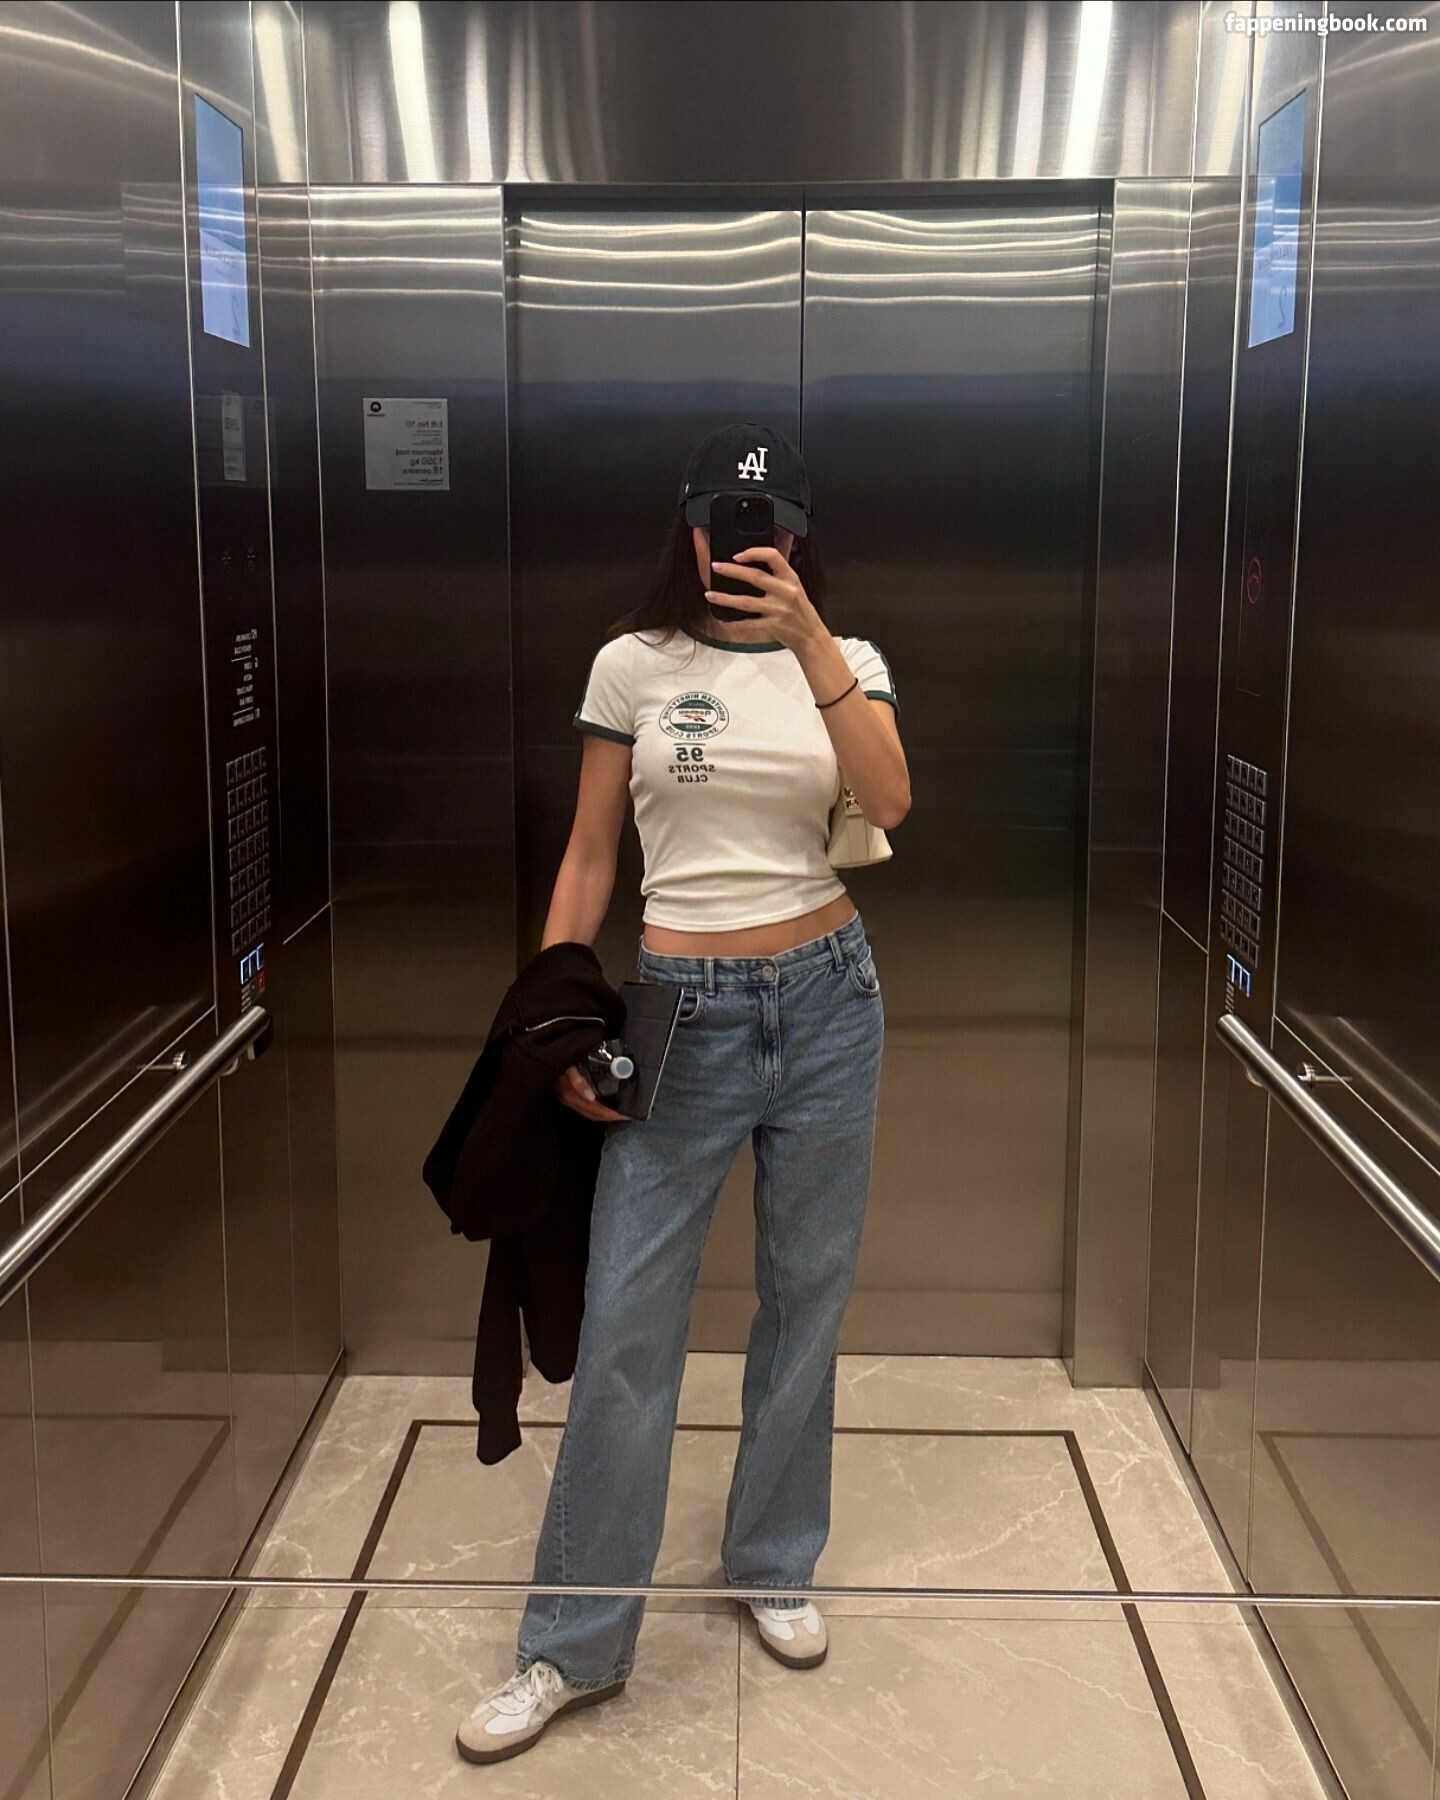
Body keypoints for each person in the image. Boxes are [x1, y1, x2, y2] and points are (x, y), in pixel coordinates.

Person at [456, 423, 910, 1765]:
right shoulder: (631, 664)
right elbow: (592, 855)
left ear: (803, 534)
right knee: (629, 1326)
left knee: (807, 1295)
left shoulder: (851, 658)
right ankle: (571, 1641)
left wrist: (812, 642)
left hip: (829, 1001)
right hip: (680, 1012)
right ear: (690, 525)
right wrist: (549, 1015)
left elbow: (891, 797)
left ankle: (772, 1558)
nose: (746, 539)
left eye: (774, 521)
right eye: (725, 516)